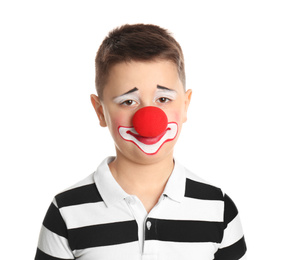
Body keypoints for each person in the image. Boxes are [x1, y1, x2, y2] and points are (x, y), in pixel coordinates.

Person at [35, 24, 247, 260]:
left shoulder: (218, 209)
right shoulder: (66, 211)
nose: (148, 120)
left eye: (163, 98)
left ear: (185, 105)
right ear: (100, 111)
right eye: (128, 102)